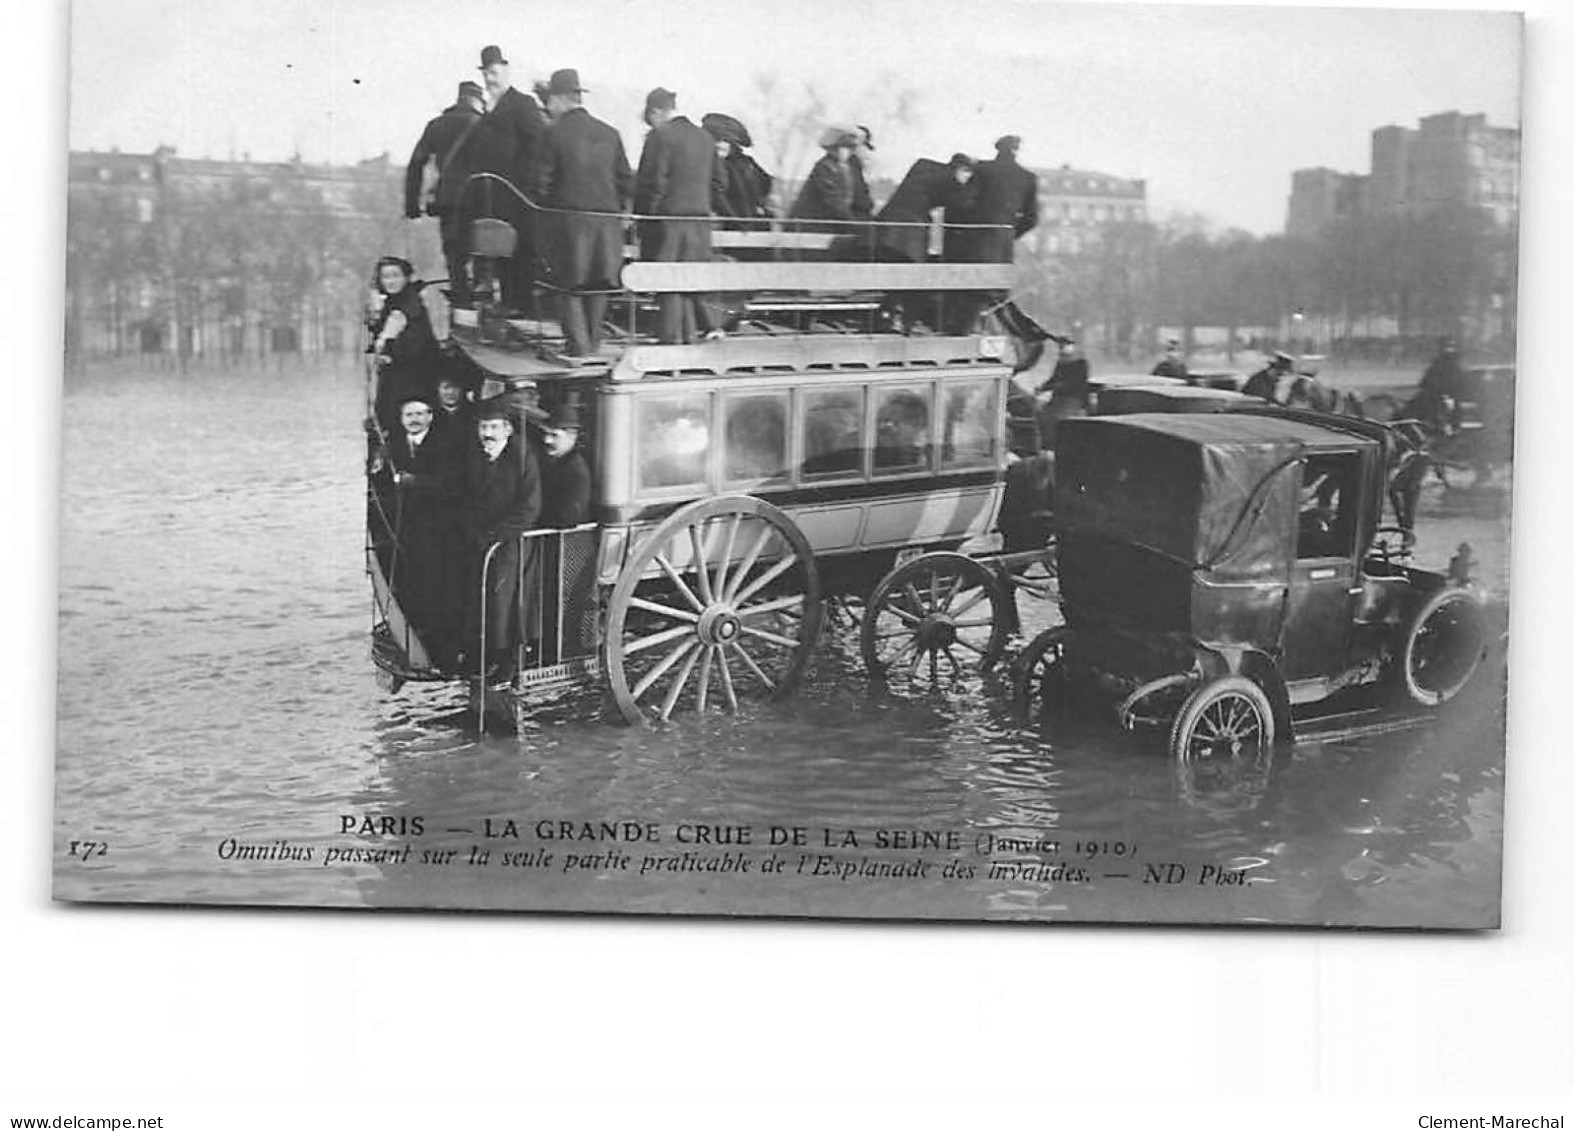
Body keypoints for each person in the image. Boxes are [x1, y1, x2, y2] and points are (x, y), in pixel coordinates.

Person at [533, 68, 634, 361]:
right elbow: (626, 181)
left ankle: (577, 348)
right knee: (598, 285)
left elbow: (541, 183)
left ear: (562, 99)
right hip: (607, 226)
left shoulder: (552, 134)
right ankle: (592, 346)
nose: (549, 107)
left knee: (568, 286)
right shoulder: (610, 133)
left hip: (569, 224)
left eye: (550, 100)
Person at [461, 399, 543, 684]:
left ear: (508, 429)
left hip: (512, 544)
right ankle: (485, 660)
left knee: (508, 604)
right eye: (483, 427)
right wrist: (475, 531)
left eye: (494, 427)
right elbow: (468, 499)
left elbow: (530, 509)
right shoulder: (478, 456)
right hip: (483, 543)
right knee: (483, 600)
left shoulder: (523, 459)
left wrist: (496, 535)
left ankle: (510, 663)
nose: (488, 433)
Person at [634, 87, 724, 344]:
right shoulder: (706, 138)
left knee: (669, 278)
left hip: (669, 221)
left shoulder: (660, 136)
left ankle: (672, 340)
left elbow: (652, 183)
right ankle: (698, 332)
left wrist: (645, 218)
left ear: (656, 112)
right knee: (693, 277)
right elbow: (719, 182)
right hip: (700, 222)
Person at [383, 395, 464, 667]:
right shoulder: (394, 447)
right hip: (408, 531)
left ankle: (443, 649)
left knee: (439, 588)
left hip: (440, 531)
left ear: (430, 416)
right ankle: (416, 640)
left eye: (420, 414)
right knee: (413, 584)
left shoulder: (446, 445)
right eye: (409, 415)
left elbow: (453, 484)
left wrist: (414, 482)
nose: (414, 419)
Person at [477, 45, 548, 315]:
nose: (490, 79)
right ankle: (508, 302)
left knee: (523, 248)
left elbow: (538, 145)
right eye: (486, 74)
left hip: (520, 192)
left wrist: (526, 185)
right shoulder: (489, 107)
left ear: (505, 72)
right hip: (495, 193)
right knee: (500, 247)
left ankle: (523, 305)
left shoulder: (522, 103)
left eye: (494, 73)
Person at [944, 135, 1039, 332]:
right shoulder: (1027, 177)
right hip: (1003, 246)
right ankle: (992, 336)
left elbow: (963, 202)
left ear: (998, 149)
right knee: (994, 293)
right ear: (1016, 150)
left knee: (967, 290)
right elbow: (1032, 219)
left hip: (974, 241)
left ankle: (961, 333)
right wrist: (1009, 234)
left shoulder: (982, 169)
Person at [871, 153, 977, 331]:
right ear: (961, 170)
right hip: (906, 233)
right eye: (967, 174)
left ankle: (889, 317)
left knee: (900, 276)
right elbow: (963, 205)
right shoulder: (951, 180)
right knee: (915, 279)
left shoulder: (924, 166)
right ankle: (902, 321)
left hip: (886, 226)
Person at [404, 82, 488, 305]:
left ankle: (461, 305)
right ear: (479, 100)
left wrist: (412, 204)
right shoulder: (487, 124)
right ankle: (483, 300)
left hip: (449, 201)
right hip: (483, 200)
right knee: (484, 252)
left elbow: (416, 164)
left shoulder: (437, 125)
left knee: (454, 257)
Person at [365, 257, 442, 435]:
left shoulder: (411, 305)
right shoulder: (390, 303)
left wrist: (388, 351)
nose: (390, 281)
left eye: (395, 276)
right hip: (394, 378)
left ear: (406, 278)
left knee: (402, 425)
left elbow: (416, 345)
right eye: (386, 277)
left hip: (414, 379)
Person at [702, 113, 773, 226]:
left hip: (740, 225)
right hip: (740, 225)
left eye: (722, 141)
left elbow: (765, 184)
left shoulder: (745, 165)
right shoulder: (746, 164)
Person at [789, 128, 859, 235]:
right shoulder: (825, 168)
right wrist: (852, 223)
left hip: (827, 226)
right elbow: (833, 200)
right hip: (811, 227)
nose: (849, 151)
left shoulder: (846, 169)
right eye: (845, 147)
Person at [538, 402, 591, 528]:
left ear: (572, 437)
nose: (547, 440)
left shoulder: (576, 473)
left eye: (554, 435)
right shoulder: (553, 461)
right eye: (546, 433)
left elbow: (567, 518)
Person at [1033, 339, 1091, 449]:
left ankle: (1058, 445)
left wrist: (1060, 385)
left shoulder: (1081, 363)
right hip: (1058, 398)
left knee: (1057, 419)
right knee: (1042, 417)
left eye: (1065, 345)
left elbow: (1078, 382)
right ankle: (1046, 445)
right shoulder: (1061, 362)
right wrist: (1043, 387)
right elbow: (1054, 379)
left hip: (1074, 398)